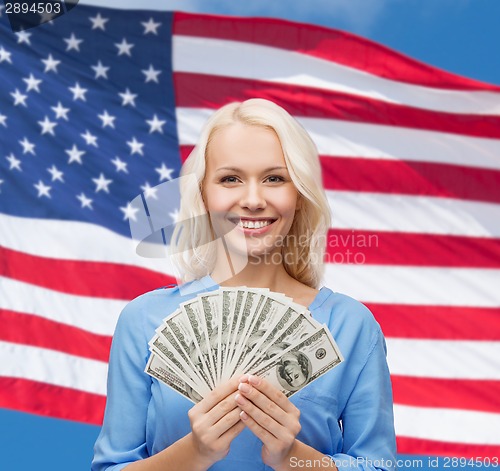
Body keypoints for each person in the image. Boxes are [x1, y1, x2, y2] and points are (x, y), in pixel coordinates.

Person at [92, 99, 397, 471]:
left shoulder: (351, 325)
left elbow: (378, 466)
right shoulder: (144, 319)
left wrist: (293, 457)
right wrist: (195, 452)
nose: (252, 200)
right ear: (204, 195)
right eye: (230, 179)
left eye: (274, 178)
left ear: (299, 195)